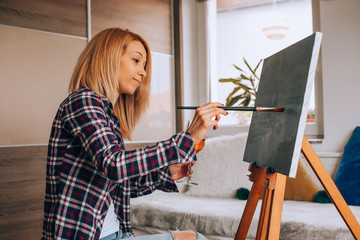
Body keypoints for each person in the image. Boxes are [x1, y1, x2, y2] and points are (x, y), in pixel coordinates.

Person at [41, 27, 227, 240]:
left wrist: (167, 173)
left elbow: (120, 185)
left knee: (192, 237)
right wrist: (188, 139)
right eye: (136, 60)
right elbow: (115, 165)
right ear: (108, 57)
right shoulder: (83, 101)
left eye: (145, 65)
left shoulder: (105, 114)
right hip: (87, 235)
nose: (143, 72)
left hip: (116, 233)